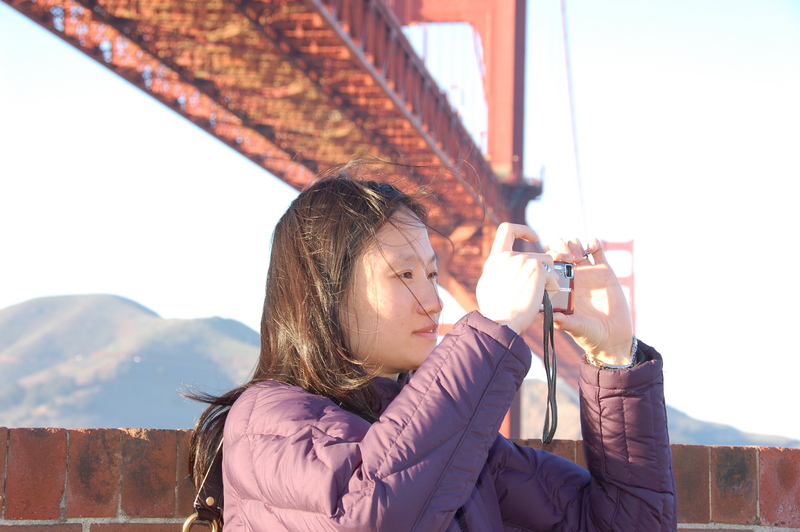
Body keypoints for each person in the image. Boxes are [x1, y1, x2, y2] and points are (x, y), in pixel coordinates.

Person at [188, 161, 677, 531]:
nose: (434, 302)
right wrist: (492, 327)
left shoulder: (463, 445)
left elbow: (624, 525)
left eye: (432, 274)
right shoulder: (264, 422)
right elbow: (371, 514)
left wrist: (615, 356)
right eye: (403, 274)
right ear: (324, 292)